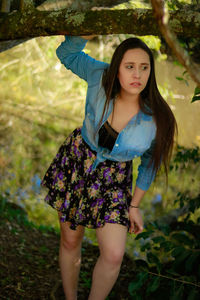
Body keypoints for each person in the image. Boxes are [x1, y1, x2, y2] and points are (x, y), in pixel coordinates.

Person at [41, 34, 177, 300]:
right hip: (79, 161)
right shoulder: (99, 75)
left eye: (144, 67)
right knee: (70, 240)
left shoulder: (157, 118)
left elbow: (150, 163)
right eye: (129, 66)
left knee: (114, 254)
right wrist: (84, 34)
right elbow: (66, 55)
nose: (137, 74)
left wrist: (134, 205)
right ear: (117, 68)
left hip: (115, 180)